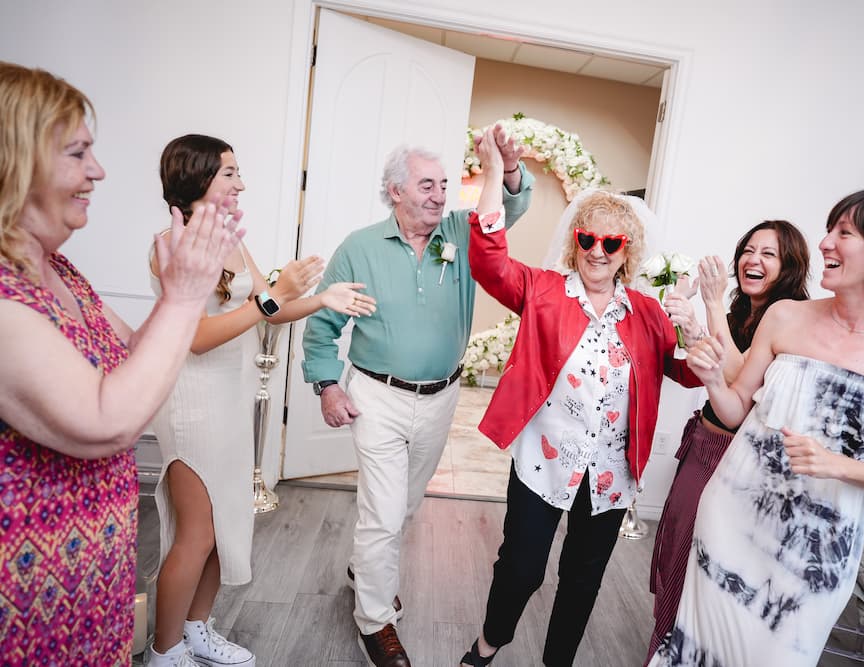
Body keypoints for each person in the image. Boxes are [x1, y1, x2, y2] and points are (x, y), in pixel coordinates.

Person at [0, 63, 243, 665]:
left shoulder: (61, 272)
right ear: (16, 160)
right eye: (78, 152)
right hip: (28, 599)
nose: (98, 171)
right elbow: (107, 420)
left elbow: (137, 353)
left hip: (94, 580)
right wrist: (186, 295)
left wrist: (187, 289)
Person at [650, 189, 864, 666]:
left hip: (814, 557)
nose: (826, 242)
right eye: (830, 229)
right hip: (729, 522)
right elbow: (734, 412)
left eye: (843, 233)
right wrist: (711, 378)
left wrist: (838, 465)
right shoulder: (785, 316)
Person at [458, 130, 702, 667]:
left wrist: (694, 325)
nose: (597, 251)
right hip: (544, 460)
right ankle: (488, 643)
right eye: (588, 240)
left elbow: (688, 374)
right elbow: (490, 263)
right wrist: (495, 172)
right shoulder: (545, 291)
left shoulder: (648, 313)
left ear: (626, 252)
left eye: (611, 244)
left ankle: (557, 661)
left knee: (583, 578)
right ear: (576, 243)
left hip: (611, 471)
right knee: (522, 567)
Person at [301, 124, 534, 667]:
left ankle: (366, 570)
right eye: (427, 184)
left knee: (404, 504)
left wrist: (509, 167)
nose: (439, 195)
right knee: (382, 513)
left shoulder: (460, 232)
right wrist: (328, 384)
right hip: (376, 396)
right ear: (395, 191)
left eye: (444, 184)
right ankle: (374, 620)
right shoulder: (359, 248)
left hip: (440, 397)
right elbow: (322, 325)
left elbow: (512, 211)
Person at [147, 134, 376, 667]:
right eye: (229, 173)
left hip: (232, 394)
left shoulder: (229, 239)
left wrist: (320, 298)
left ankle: (197, 632)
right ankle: (164, 651)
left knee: (226, 523)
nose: (240, 183)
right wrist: (275, 292)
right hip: (193, 400)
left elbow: (266, 309)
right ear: (198, 177)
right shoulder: (169, 245)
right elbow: (198, 336)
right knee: (196, 533)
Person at [646, 220, 810, 662]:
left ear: (791, 265)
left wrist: (712, 304)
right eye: (748, 250)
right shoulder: (742, 313)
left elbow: (742, 383)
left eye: (768, 254)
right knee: (675, 547)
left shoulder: (792, 318)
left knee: (700, 560)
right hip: (702, 442)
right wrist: (691, 326)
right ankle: (665, 645)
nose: (752, 260)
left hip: (736, 458)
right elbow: (718, 366)